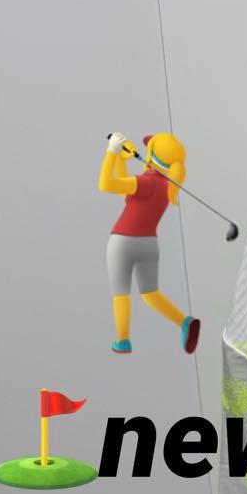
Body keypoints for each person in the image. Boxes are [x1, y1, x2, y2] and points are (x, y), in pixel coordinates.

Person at [98, 132, 200, 354]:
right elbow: (125, 194)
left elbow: (105, 184)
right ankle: (183, 321)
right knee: (150, 293)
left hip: (123, 242)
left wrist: (111, 151)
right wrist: (121, 160)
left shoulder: (145, 182)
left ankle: (122, 340)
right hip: (149, 245)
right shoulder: (167, 187)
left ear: (151, 154)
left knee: (121, 293)